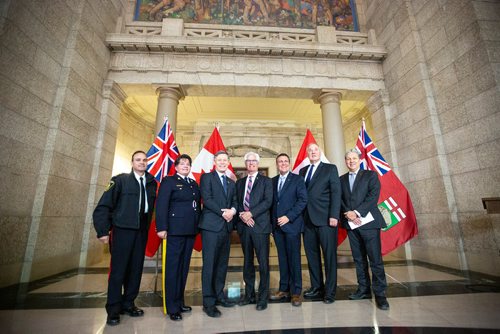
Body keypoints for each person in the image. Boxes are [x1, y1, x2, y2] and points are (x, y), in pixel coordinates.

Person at [93, 151, 158, 326]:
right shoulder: (120, 180)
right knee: (118, 271)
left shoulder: (152, 183)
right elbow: (103, 207)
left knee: (135, 270)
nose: (142, 162)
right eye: (138, 160)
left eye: (144, 160)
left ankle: (128, 303)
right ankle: (113, 309)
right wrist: (103, 231)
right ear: (132, 162)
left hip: (141, 232)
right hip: (123, 231)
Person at [340, 149, 390, 310]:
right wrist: (348, 213)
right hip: (352, 224)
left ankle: (381, 294)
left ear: (360, 160)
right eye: (348, 159)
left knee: (375, 259)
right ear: (345, 162)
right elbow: (340, 199)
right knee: (358, 259)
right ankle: (363, 289)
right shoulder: (341, 179)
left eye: (354, 158)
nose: (351, 161)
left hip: (369, 224)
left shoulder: (370, 175)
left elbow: (372, 197)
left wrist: (357, 212)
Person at [156, 154, 201, 321]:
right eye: (182, 163)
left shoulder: (192, 183)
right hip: (174, 231)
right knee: (172, 269)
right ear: (175, 166)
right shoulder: (169, 181)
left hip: (189, 230)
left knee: (183, 268)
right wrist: (162, 227)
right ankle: (172, 306)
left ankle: (180, 301)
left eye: (188, 164)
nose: (185, 166)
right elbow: (162, 205)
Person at [299, 143, 341, 304]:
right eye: (310, 151)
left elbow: (336, 193)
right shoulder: (303, 171)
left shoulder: (330, 169)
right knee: (312, 256)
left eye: (315, 150)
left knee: (329, 256)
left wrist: (334, 215)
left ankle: (330, 292)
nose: (312, 152)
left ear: (320, 152)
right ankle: (317, 287)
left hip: (326, 220)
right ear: (307, 154)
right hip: (307, 220)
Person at [199, 150, 238, 318]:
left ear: (228, 162)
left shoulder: (231, 182)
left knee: (222, 264)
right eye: (219, 160)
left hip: (226, 228)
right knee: (209, 265)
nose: (222, 162)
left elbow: (235, 200)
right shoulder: (207, 178)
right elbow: (207, 199)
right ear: (215, 161)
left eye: (225, 160)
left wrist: (233, 210)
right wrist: (224, 213)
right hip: (211, 227)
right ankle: (208, 302)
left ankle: (219, 295)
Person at [236, 151, 273, 311]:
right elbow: (236, 202)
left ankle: (263, 297)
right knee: (247, 262)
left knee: (263, 262)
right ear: (245, 164)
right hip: (244, 227)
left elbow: (268, 201)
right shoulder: (239, 182)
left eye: (254, 161)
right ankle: (249, 295)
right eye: (248, 161)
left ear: (257, 164)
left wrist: (251, 213)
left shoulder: (266, 181)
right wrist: (243, 215)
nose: (251, 163)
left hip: (260, 227)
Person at [270, 153, 308, 307]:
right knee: (282, 259)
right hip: (277, 228)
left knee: (294, 259)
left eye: (286, 161)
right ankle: (283, 289)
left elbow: (302, 200)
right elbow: (271, 204)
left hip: (292, 225)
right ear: (277, 164)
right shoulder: (272, 181)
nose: (283, 163)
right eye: (280, 161)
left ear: (289, 163)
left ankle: (296, 292)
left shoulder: (298, 179)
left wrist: (288, 217)